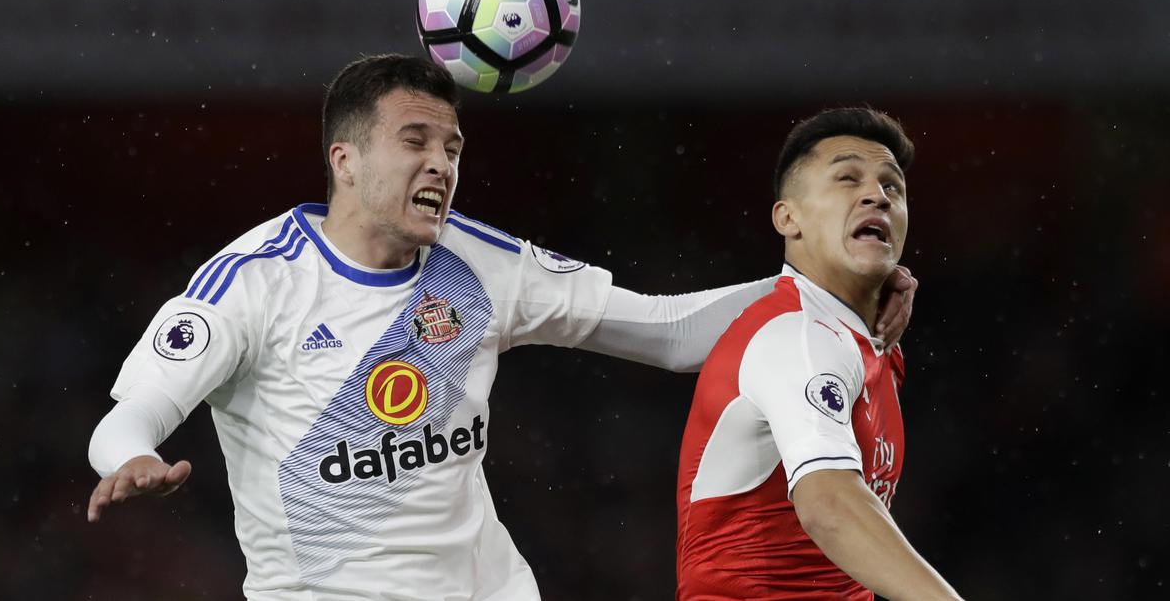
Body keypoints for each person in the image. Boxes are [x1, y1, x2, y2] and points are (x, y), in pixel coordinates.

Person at [87, 55, 917, 600]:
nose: (441, 165)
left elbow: (665, 331)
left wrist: (823, 294)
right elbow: (135, 412)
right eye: (415, 142)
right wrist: (131, 458)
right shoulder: (254, 282)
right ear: (344, 161)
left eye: (452, 146)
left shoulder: (480, 263)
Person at [676, 107, 961, 600]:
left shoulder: (868, 344)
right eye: (847, 178)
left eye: (893, 187)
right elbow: (828, 506)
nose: (877, 195)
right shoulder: (798, 336)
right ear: (789, 218)